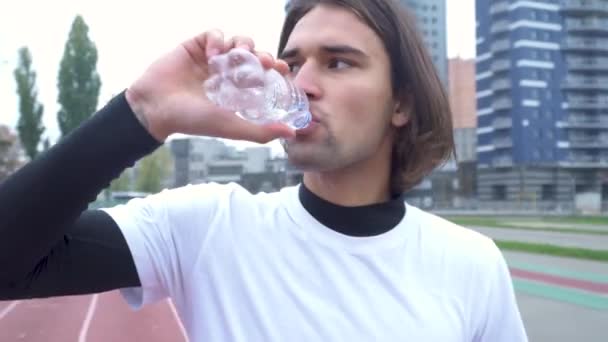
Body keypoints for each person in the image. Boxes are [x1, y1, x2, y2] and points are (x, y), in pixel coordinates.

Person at [0, 0, 528, 341]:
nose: (304, 83)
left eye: (338, 62)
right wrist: (143, 112)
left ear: (401, 105)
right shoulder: (207, 226)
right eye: (294, 64)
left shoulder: (471, 265)